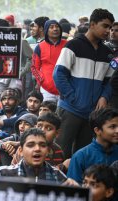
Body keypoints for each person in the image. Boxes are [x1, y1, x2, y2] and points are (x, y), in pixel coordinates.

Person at [54, 9, 115, 159]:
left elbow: (109, 82)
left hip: (92, 114)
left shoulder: (107, 53)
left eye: (110, 27)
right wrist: (73, 98)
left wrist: (104, 98)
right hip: (70, 110)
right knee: (60, 152)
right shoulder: (72, 46)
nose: (108, 31)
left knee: (83, 155)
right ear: (92, 24)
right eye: (105, 26)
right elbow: (59, 74)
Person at [67, 108, 118, 184]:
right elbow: (73, 188)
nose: (117, 131)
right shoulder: (81, 156)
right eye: (112, 127)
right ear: (97, 130)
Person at [31, 20, 67, 102]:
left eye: (57, 27)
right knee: (47, 113)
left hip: (65, 88)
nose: (55, 29)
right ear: (46, 30)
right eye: (51, 27)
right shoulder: (39, 47)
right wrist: (41, 80)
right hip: (47, 89)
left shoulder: (68, 45)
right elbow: (34, 67)